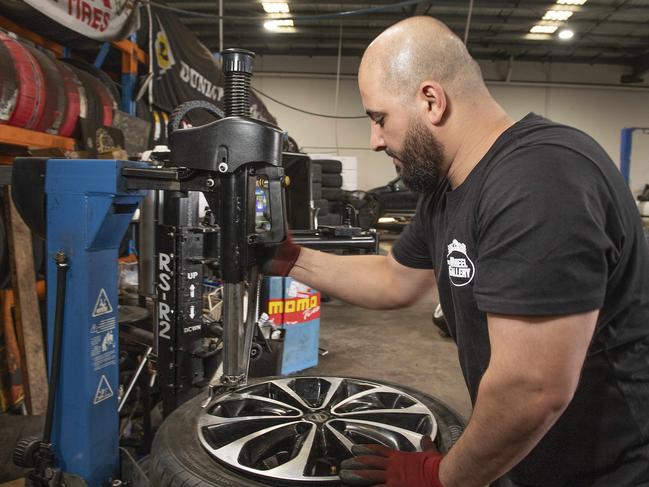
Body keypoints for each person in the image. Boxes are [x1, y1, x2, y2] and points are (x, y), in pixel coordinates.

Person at [261, 16, 649, 487]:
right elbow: (393, 279)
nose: (375, 140)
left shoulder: (539, 180)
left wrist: (443, 477)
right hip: (527, 454)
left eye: (379, 118)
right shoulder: (447, 192)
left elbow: (532, 388)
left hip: (610, 468)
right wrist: (290, 259)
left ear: (431, 100)